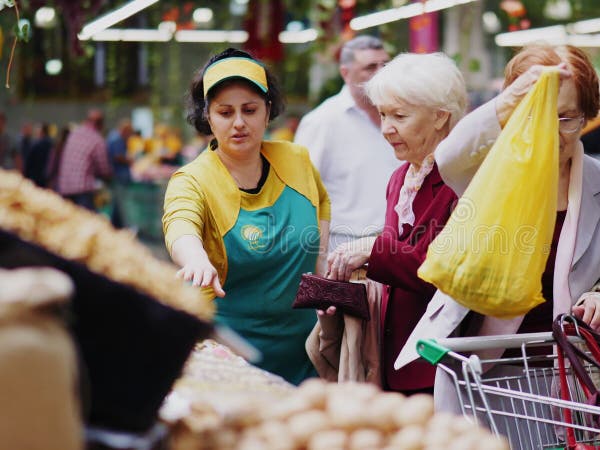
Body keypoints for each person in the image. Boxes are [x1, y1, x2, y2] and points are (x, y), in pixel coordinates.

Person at [397, 44, 600, 410]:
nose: (552, 132)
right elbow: (449, 156)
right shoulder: (490, 166)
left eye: (566, 118)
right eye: (538, 115)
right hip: (481, 365)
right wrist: (514, 98)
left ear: (587, 115)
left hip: (562, 373)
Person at [162, 48, 331, 385]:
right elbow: (180, 223)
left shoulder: (296, 161)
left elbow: (320, 215)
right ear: (208, 117)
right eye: (225, 112)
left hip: (307, 351)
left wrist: (327, 284)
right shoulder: (193, 180)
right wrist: (195, 260)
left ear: (268, 112)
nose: (238, 122)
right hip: (230, 358)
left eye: (250, 110)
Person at [325, 53, 467, 395]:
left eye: (400, 116)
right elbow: (399, 259)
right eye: (383, 114)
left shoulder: (462, 181)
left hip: (437, 364)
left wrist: (374, 250)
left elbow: (443, 271)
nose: (387, 128)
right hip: (391, 354)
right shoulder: (400, 177)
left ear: (440, 117)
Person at [294, 35, 400, 252]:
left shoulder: (401, 115)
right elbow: (301, 193)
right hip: (343, 247)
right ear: (345, 73)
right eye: (370, 67)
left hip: (396, 245)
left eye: (385, 65)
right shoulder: (321, 121)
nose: (381, 74)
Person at [55, 109, 112, 210]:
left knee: (69, 222)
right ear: (100, 124)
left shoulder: (74, 134)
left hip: (64, 186)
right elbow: (104, 169)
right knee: (85, 222)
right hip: (82, 189)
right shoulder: (97, 139)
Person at [106, 119, 134, 228]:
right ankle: (117, 226)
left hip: (117, 175)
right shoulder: (117, 139)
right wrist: (129, 160)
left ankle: (115, 225)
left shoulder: (114, 137)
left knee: (117, 203)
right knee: (118, 203)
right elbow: (117, 156)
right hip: (118, 175)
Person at [23, 122, 53, 188]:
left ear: (41, 131)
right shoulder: (52, 145)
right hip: (47, 178)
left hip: (35, 177)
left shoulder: (36, 145)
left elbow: (29, 162)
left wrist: (25, 176)